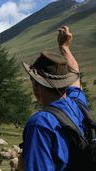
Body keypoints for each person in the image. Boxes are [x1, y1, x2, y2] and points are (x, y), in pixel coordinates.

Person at [21, 26, 88, 171]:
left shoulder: (40, 123)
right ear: (65, 81)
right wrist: (65, 47)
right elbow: (76, 73)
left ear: (37, 85)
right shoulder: (77, 104)